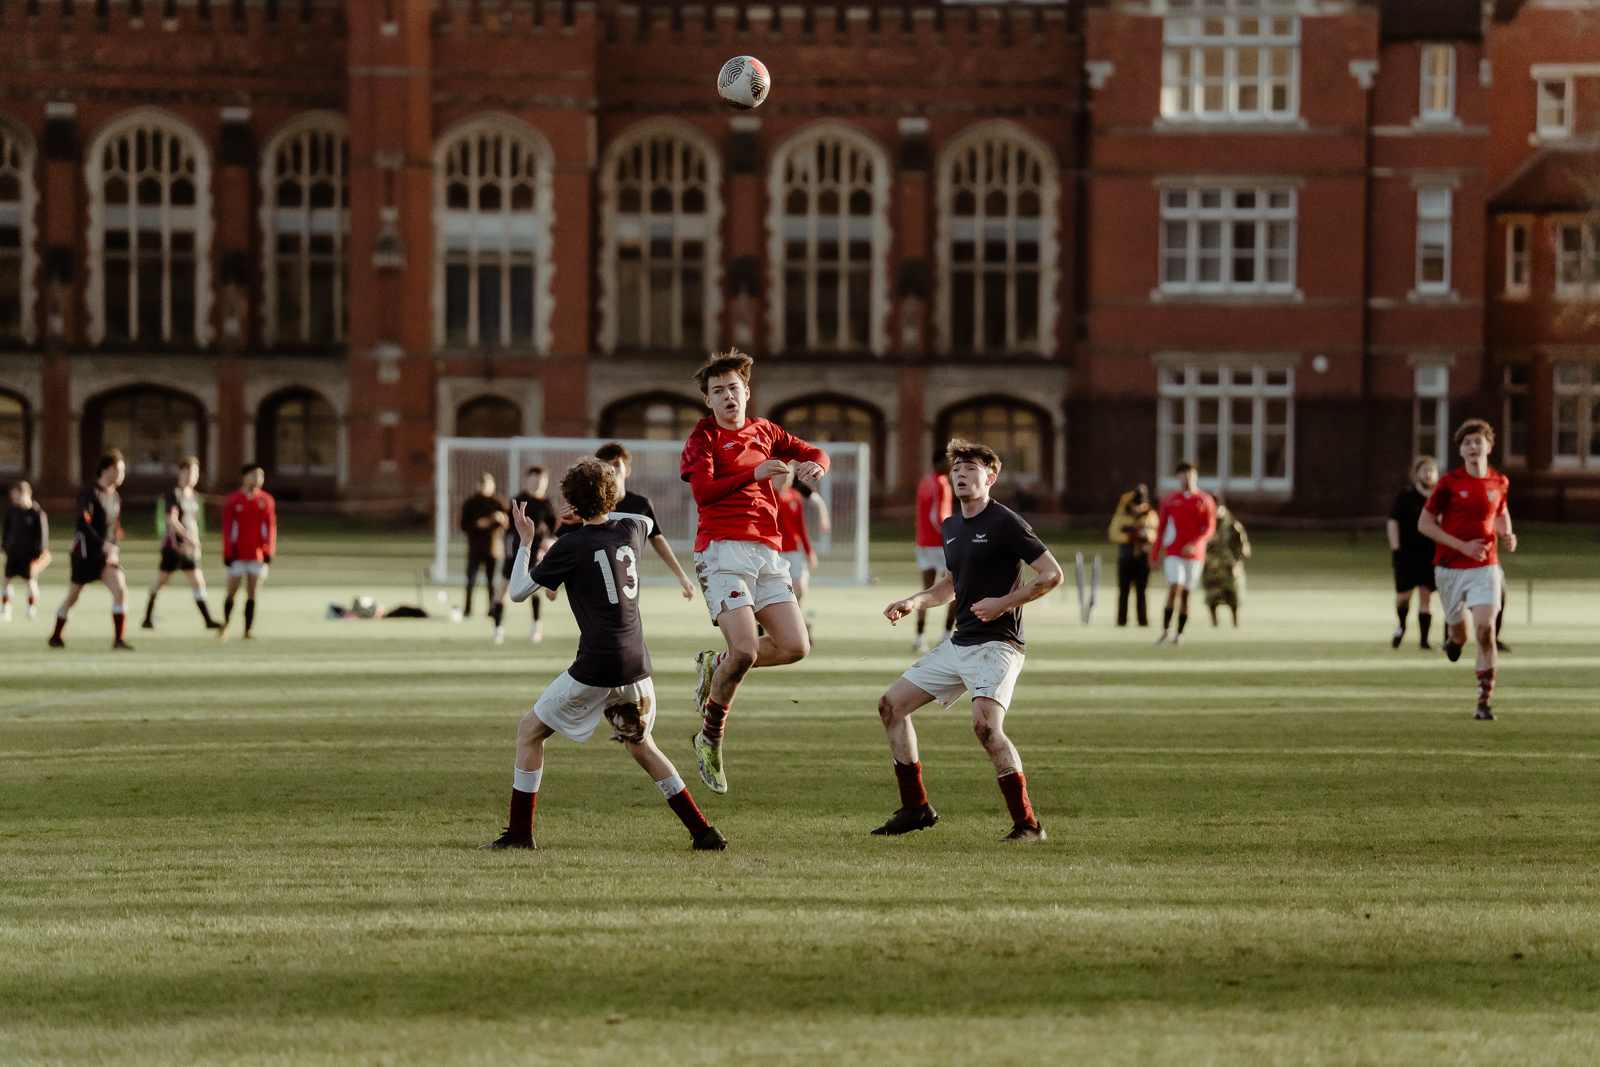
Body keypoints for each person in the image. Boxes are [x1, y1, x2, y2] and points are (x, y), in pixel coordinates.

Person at [480, 458, 726, 852]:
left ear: (571, 505)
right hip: (637, 664)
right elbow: (641, 518)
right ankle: (703, 831)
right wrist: (599, 504)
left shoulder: (570, 545)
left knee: (529, 732)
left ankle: (519, 834)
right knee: (642, 746)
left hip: (597, 665)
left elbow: (517, 592)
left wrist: (526, 541)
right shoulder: (632, 528)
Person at [875, 439, 1064, 842]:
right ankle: (916, 808)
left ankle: (1028, 825)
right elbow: (949, 584)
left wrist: (1003, 603)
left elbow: (1051, 574)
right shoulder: (951, 526)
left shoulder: (1006, 521)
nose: (961, 474)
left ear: (990, 478)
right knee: (891, 706)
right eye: (957, 468)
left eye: (971, 469)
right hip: (961, 643)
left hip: (999, 644)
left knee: (985, 727)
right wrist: (915, 601)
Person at [680, 349, 829, 796]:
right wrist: (753, 474)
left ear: (747, 392)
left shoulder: (765, 430)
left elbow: (814, 450)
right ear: (708, 400)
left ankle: (715, 663)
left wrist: (814, 465)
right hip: (721, 550)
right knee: (745, 651)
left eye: (734, 389)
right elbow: (703, 494)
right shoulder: (703, 437)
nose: (727, 396)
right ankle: (709, 738)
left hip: (768, 551)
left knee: (795, 646)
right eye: (717, 391)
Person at [1419, 419, 1516, 720]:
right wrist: (1462, 546)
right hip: (1450, 568)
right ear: (1460, 450)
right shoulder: (1449, 484)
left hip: (1486, 566)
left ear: (1489, 446)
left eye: (1478, 441)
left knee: (1485, 629)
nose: (1474, 447)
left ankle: (1484, 702)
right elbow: (1424, 525)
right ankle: (1453, 639)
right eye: (1467, 443)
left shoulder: (1499, 481)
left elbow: (1500, 511)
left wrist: (1507, 534)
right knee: (1460, 633)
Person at [591, 441, 697, 601]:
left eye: (616, 465)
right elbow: (565, 538)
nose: (611, 470)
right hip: (593, 582)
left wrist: (682, 576)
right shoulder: (589, 505)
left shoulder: (641, 505)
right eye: (606, 465)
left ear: (627, 471)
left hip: (628, 585)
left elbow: (657, 538)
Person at [50, 451, 132, 650]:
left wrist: (113, 549)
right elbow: (83, 524)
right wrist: (102, 545)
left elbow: (114, 528)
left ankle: (118, 640)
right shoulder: (89, 494)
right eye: (119, 470)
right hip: (85, 555)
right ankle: (56, 636)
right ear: (106, 469)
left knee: (120, 589)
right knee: (73, 597)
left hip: (105, 557)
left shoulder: (115, 497)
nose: (122, 474)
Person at [143, 457, 221, 631]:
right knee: (161, 581)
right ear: (180, 472)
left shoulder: (194, 497)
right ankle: (147, 617)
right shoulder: (174, 494)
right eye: (189, 471)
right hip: (175, 546)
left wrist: (196, 541)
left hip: (190, 548)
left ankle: (208, 620)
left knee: (198, 582)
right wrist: (187, 537)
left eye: (195, 472)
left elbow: (193, 523)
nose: (192, 476)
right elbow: (171, 520)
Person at [1154, 461, 1217, 646]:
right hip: (1174, 551)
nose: (1187, 478)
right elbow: (1161, 527)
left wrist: (1195, 543)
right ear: (1178, 477)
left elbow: (1209, 528)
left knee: (1187, 594)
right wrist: (1155, 553)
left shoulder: (1204, 500)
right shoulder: (1169, 499)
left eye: (1190, 474)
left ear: (1196, 476)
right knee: (1175, 587)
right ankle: (1165, 631)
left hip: (1195, 554)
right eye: (1183, 474)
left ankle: (1179, 634)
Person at [494, 467, 557, 645]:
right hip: (515, 553)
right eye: (534, 479)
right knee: (504, 591)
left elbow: (554, 531)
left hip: (536, 554)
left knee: (534, 592)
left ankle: (536, 628)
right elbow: (506, 528)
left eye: (541, 479)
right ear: (527, 480)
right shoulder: (519, 500)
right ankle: (497, 630)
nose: (538, 482)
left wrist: (549, 544)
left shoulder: (548, 504)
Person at [218, 464, 277, 641]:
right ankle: (226, 626)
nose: (258, 479)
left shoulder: (266, 500)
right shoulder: (234, 499)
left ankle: (247, 630)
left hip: (257, 554)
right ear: (245, 477)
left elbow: (270, 527)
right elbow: (227, 528)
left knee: (252, 593)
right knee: (231, 592)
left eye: (261, 475)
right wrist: (227, 552)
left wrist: (269, 550)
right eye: (254, 475)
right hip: (237, 554)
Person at [1387, 456, 1440, 650]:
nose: (1428, 474)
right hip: (1408, 555)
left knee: (1427, 596)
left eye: (1431, 470)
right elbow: (1393, 522)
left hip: (1431, 555)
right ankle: (1401, 626)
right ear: (1416, 474)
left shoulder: (1438, 498)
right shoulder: (1406, 495)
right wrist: (1396, 549)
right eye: (1424, 470)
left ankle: (1424, 640)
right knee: (1404, 596)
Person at [913, 450, 955, 652]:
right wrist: (954, 536)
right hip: (939, 543)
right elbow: (938, 516)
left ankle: (919, 637)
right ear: (939, 462)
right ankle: (946, 636)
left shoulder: (924, 482)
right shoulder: (942, 483)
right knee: (955, 588)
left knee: (926, 590)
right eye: (950, 462)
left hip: (922, 543)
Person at [460, 472, 509, 626]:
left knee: (491, 582)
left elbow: (508, 523)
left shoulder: (498, 503)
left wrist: (501, 519)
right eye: (482, 485)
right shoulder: (470, 503)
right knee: (471, 580)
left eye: (488, 485)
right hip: (474, 548)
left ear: (492, 486)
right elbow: (463, 524)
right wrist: (476, 524)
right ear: (478, 486)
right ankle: (467, 609)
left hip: (493, 549)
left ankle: (492, 609)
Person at [1107, 484, 1157, 627]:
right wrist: (1130, 536)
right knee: (1124, 590)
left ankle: (1143, 621)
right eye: (1136, 505)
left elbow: (1157, 533)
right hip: (1126, 556)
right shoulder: (1122, 516)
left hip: (1143, 557)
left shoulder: (1150, 516)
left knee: (1142, 591)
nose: (1138, 508)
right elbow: (1113, 533)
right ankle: (1121, 620)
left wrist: (1147, 535)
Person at [772, 462, 817, 615]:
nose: (789, 477)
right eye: (786, 473)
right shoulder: (768, 496)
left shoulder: (796, 496)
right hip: (774, 552)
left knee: (800, 590)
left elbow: (801, 527)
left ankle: (793, 619)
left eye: (791, 474)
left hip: (793, 551)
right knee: (774, 592)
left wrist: (809, 551)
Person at [2, 481, 48, 622]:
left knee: (30, 581)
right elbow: (6, 531)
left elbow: (42, 537)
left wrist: (40, 554)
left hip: (29, 556)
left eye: (15, 495)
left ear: (24, 494)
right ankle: (5, 610)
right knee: (7, 580)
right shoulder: (12, 512)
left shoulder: (37, 513)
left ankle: (31, 610)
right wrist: (4, 547)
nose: (13, 498)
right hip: (13, 553)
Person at [1203, 502, 1250, 626]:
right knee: (1212, 598)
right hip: (1211, 569)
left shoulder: (1232, 526)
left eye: (1219, 508)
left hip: (1229, 568)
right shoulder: (1206, 526)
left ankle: (1236, 624)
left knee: (1233, 597)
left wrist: (1237, 563)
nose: (1217, 511)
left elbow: (1243, 548)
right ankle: (1214, 625)